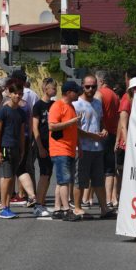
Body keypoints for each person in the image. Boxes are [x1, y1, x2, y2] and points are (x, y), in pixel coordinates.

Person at [0, 79, 37, 218]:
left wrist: (23, 148)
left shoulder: (21, 112)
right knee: (6, 178)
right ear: (9, 94)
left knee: (12, 178)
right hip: (5, 147)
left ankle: (7, 206)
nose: (18, 96)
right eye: (16, 94)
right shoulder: (3, 111)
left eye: (20, 94)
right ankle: (3, 207)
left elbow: (21, 132)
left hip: (17, 148)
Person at [73, 74, 112, 220]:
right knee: (80, 180)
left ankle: (104, 208)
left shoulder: (97, 103)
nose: (90, 89)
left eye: (93, 86)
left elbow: (100, 121)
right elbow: (75, 129)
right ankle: (77, 207)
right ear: (82, 86)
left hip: (97, 148)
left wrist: (104, 130)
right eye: (87, 86)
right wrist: (91, 136)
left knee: (98, 180)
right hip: (82, 148)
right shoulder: (76, 104)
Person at [48, 81, 82, 221]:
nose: (78, 94)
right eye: (76, 91)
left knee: (61, 180)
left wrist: (78, 145)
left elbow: (73, 130)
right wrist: (72, 121)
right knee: (64, 181)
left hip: (68, 149)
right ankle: (67, 210)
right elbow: (52, 126)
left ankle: (57, 209)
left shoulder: (71, 106)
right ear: (68, 93)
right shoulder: (58, 105)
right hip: (60, 149)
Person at [32, 78, 56, 217]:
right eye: (53, 88)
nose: (55, 90)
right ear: (45, 89)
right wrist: (40, 147)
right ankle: (38, 204)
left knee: (49, 174)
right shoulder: (38, 105)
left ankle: (42, 201)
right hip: (43, 144)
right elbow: (35, 127)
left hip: (53, 144)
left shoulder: (54, 104)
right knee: (44, 173)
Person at [95, 71, 120, 208]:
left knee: (99, 169)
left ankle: (103, 199)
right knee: (110, 169)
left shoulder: (100, 94)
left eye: (96, 82)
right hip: (112, 134)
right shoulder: (115, 96)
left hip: (102, 134)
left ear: (102, 81)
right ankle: (110, 199)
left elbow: (97, 114)